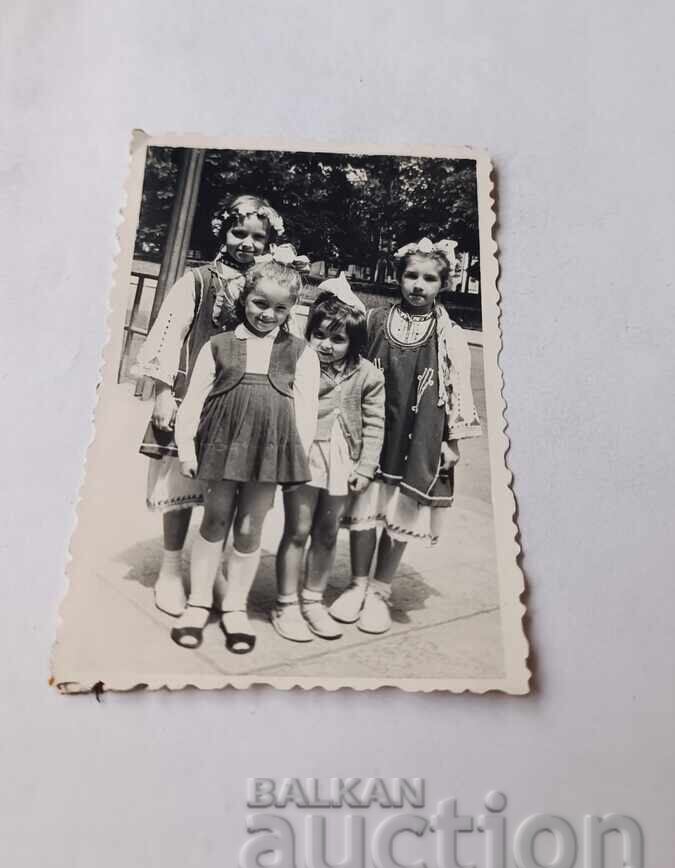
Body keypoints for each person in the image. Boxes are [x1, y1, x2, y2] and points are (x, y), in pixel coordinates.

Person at [134, 194, 284, 617]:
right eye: (239, 232)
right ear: (223, 231)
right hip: (190, 398)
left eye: (258, 237)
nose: (247, 243)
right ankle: (169, 568)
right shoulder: (198, 281)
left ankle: (214, 570)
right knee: (180, 489)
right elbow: (169, 335)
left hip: (239, 406)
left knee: (225, 496)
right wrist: (164, 392)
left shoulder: (268, 288)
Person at [171, 252, 320, 653]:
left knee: (251, 528)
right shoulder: (219, 345)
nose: (268, 314)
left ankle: (235, 607)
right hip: (220, 446)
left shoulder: (300, 351)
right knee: (215, 520)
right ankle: (199, 602)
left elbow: (306, 412)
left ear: (291, 310)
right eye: (260, 303)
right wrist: (186, 448)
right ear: (245, 297)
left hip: (268, 453)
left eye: (280, 308)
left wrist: (295, 462)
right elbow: (194, 400)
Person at [333, 237, 481, 635]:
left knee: (400, 510)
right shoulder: (375, 321)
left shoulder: (450, 334)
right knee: (364, 508)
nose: (418, 284)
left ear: (442, 283)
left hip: (419, 434)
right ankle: (357, 583)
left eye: (429, 278)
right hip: (373, 429)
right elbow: (349, 366)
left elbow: (458, 390)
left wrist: (453, 442)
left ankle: (380, 590)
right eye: (411, 275)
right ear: (398, 277)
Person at [272, 275, 385, 642]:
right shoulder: (301, 365)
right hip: (305, 457)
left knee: (327, 531)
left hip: (343, 461)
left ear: (353, 341)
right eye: (319, 335)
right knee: (298, 529)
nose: (326, 345)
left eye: (338, 339)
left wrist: (366, 466)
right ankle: (286, 603)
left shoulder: (367, 373)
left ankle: (313, 600)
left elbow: (374, 422)